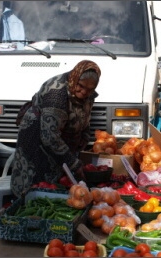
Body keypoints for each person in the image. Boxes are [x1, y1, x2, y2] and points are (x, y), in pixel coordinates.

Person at [10, 60, 101, 197]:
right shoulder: (56, 93)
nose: (84, 92)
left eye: (89, 89)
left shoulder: (88, 93)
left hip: (60, 140)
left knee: (59, 184)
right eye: (81, 86)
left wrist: (83, 139)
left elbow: (85, 118)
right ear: (74, 78)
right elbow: (50, 137)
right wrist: (73, 163)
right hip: (38, 138)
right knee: (37, 182)